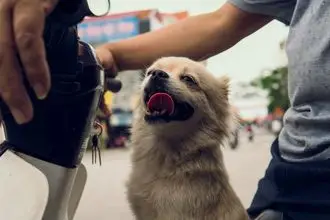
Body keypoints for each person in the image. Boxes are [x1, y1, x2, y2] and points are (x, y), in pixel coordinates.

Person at [1, 0, 329, 220]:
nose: (158, 77)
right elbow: (224, 21)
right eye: (154, 73)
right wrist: (108, 54)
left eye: (188, 79)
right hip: (294, 165)